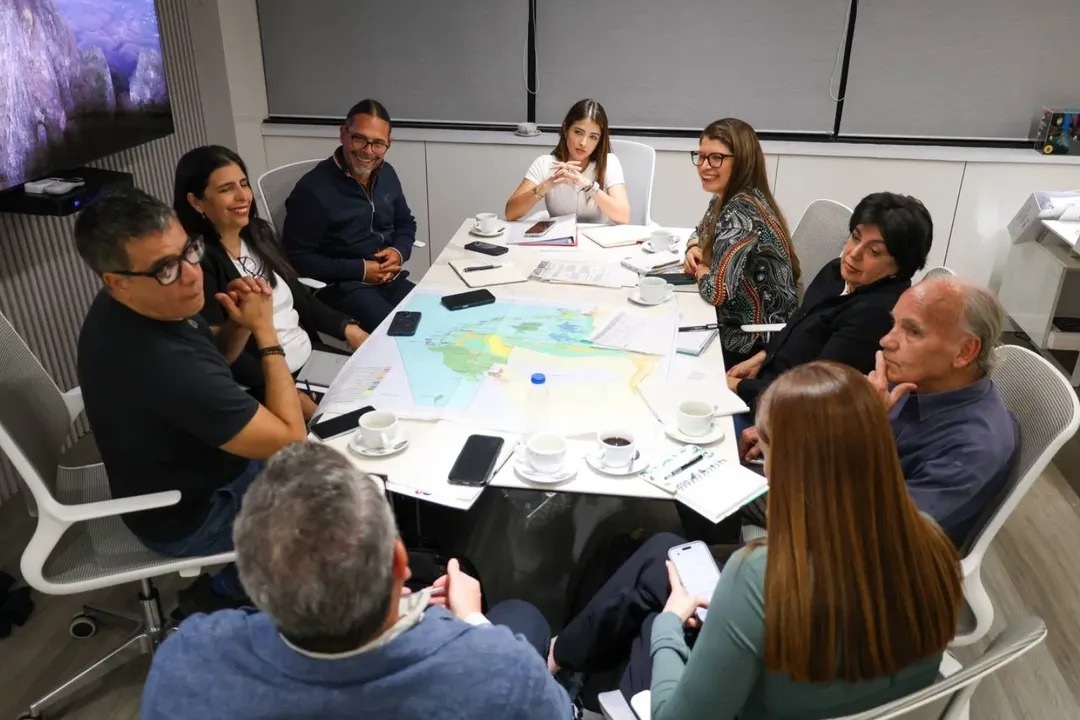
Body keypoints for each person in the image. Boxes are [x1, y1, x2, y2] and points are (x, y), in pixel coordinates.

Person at [550, 363, 963, 719]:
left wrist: (669, 624)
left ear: (789, 465)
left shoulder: (760, 576)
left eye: (767, 451)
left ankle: (562, 680)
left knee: (652, 615)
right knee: (663, 557)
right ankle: (562, 655)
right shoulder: (931, 542)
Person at [140, 443, 573, 720]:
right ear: (400, 560)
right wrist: (474, 620)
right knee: (523, 617)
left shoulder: (186, 659)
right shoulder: (502, 668)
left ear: (251, 580)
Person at [76, 188, 307, 606]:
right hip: (194, 517)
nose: (191, 275)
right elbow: (290, 440)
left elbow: (212, 354)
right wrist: (264, 330)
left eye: (189, 251)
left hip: (177, 476)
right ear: (117, 282)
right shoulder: (162, 363)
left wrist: (238, 324)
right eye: (166, 269)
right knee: (337, 500)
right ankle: (228, 591)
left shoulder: (133, 302)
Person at [742, 277, 1018, 547]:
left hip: (861, 552)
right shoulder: (916, 381)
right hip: (835, 501)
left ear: (965, 351)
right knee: (724, 482)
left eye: (913, 331)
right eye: (894, 324)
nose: (886, 340)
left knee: (726, 511)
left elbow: (876, 532)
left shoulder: (973, 446)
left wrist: (864, 427)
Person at [174, 145, 369, 417]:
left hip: (312, 361)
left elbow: (302, 299)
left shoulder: (258, 233)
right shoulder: (197, 264)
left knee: (386, 386)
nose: (243, 196)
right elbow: (225, 355)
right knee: (355, 426)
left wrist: (349, 329)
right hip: (269, 384)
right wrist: (291, 395)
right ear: (196, 202)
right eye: (226, 189)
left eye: (244, 184)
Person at [727, 192, 933, 427]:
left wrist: (738, 386)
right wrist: (762, 358)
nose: (854, 253)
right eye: (855, 237)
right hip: (763, 387)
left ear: (900, 267)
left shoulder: (875, 315)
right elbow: (799, 320)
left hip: (782, 416)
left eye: (874, 252)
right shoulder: (836, 272)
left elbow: (814, 393)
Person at [282, 99, 417, 332]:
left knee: (433, 315)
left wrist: (399, 251)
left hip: (388, 278)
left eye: (378, 144)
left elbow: (406, 223)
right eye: (359, 139)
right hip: (341, 287)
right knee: (399, 333)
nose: (368, 151)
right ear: (343, 134)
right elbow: (298, 259)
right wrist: (361, 270)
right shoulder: (312, 190)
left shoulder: (387, 174)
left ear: (388, 144)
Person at [681, 118, 800, 366]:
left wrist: (701, 269)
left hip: (753, 339)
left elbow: (717, 292)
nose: (704, 166)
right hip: (737, 323)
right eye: (700, 156)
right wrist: (693, 247)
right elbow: (699, 231)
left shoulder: (741, 213)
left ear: (742, 160)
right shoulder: (726, 197)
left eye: (716, 158)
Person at [505, 98, 630, 224]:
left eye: (593, 137)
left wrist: (588, 185)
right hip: (558, 235)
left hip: (596, 236)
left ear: (599, 140)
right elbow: (510, 213)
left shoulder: (609, 162)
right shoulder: (544, 163)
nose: (583, 143)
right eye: (578, 132)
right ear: (565, 130)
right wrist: (546, 185)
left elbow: (623, 216)